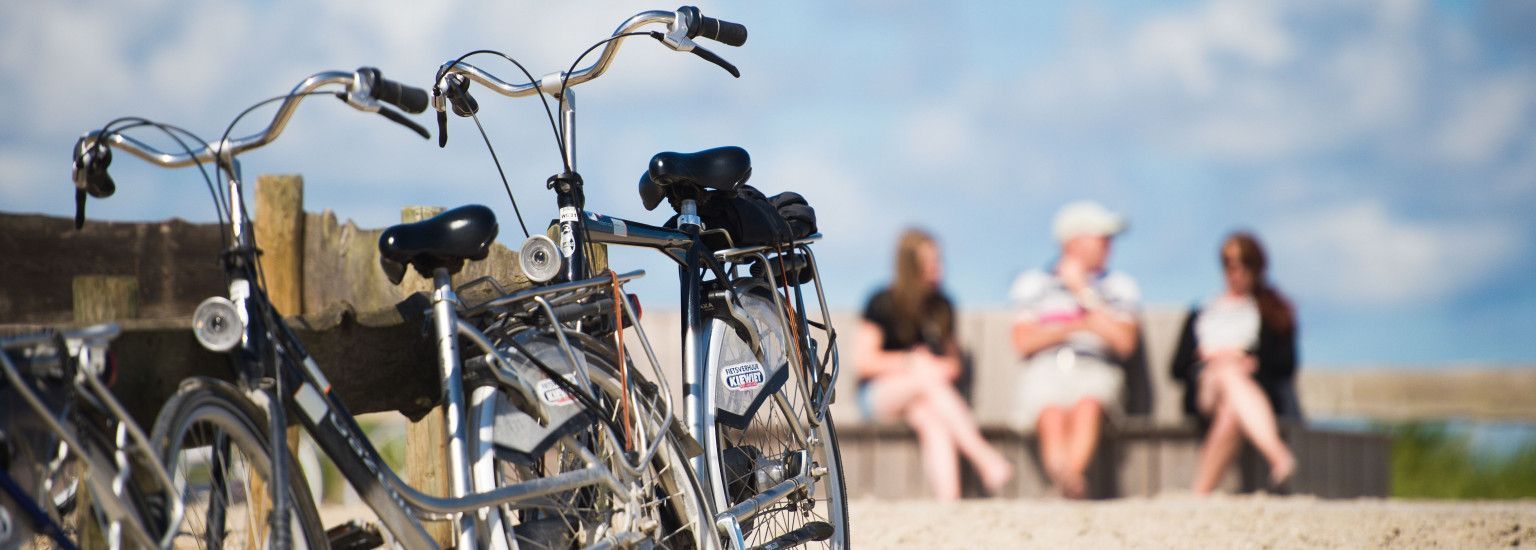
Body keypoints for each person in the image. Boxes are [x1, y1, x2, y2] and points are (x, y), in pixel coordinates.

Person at [853, 228, 1013, 500]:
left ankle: (948, 502)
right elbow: (864, 362)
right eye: (930, 261)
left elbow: (953, 365)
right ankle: (984, 457)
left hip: (928, 396)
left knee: (930, 419)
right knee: (924, 375)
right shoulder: (882, 302)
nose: (938, 267)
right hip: (879, 396)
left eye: (939, 260)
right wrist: (911, 362)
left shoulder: (942, 306)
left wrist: (932, 367)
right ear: (910, 265)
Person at [1009, 201, 1140, 499]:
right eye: (1102, 237)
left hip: (1096, 368)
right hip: (1046, 369)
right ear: (1074, 241)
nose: (1109, 245)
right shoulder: (1034, 283)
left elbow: (1124, 342)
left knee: (1088, 405)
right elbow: (1022, 342)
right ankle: (1069, 482)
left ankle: (1066, 483)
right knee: (1050, 411)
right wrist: (1079, 326)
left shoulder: (1119, 285)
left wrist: (1082, 291)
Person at [1171, 231, 1299, 495]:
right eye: (1230, 265)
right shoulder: (1203, 310)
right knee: (1226, 371)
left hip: (1247, 390)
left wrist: (1250, 361)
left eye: (1244, 265)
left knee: (1231, 411)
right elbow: (1176, 367)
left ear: (1256, 267)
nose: (1236, 272)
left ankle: (1199, 492)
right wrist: (1209, 357)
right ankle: (1277, 454)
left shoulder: (1271, 310)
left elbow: (1285, 364)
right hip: (1206, 388)